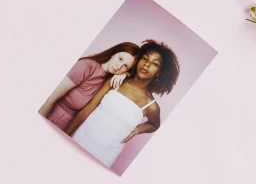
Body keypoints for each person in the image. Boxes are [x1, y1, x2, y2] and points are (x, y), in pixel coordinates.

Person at [65, 40, 180, 168]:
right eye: (144, 58)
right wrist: (65, 135)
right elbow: (88, 109)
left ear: (159, 72)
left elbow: (154, 125)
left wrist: (137, 130)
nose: (147, 64)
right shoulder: (116, 81)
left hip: (105, 155)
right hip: (81, 138)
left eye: (154, 64)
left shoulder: (151, 105)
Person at [39, 42, 140, 131]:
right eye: (120, 59)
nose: (118, 66)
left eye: (125, 66)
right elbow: (50, 99)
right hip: (53, 118)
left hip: (72, 127)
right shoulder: (87, 66)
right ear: (113, 53)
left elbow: (137, 80)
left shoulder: (110, 80)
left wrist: (125, 74)